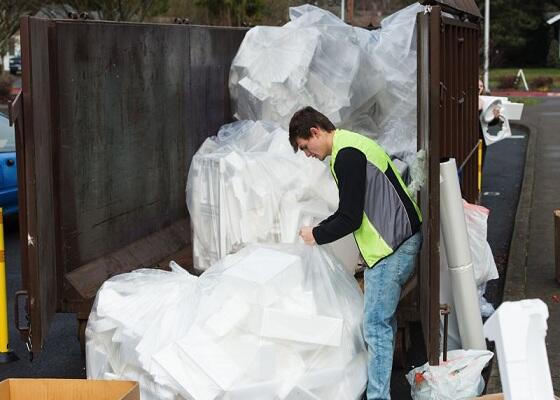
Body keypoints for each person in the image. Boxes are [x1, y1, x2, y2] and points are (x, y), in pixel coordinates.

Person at [289, 106, 422, 400]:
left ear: (315, 132)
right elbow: (354, 208)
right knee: (380, 322)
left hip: (392, 248)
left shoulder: (346, 156)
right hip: (397, 240)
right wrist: (322, 227)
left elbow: (350, 217)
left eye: (305, 147)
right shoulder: (350, 144)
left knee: (374, 326)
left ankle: (377, 397)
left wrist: (317, 235)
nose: (307, 154)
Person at [478, 79, 501, 168]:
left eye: (481, 86)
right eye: (477, 85)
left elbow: (490, 123)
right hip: (467, 139)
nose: (479, 88)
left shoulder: (486, 102)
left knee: (479, 165)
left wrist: (495, 117)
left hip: (481, 138)